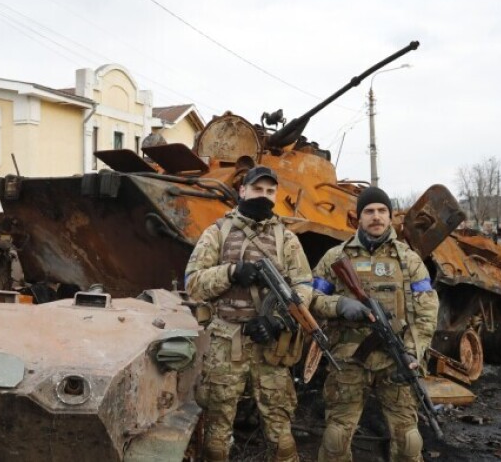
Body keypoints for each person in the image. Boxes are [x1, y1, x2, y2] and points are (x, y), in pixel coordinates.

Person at [185, 165, 313, 462]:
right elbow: (192, 284)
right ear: (242, 191)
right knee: (216, 435)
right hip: (226, 343)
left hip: (271, 346)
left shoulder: (287, 239)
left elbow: (304, 287)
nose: (264, 196)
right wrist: (231, 273)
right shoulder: (218, 232)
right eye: (258, 189)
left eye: (270, 191)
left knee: (281, 435)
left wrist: (277, 320)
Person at [309, 187, 440, 462]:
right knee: (336, 438)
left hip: (396, 361)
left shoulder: (409, 260)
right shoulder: (335, 257)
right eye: (369, 211)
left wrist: (413, 353)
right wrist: (339, 305)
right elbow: (310, 299)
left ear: (391, 217)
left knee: (408, 441)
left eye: (382, 211)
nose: (376, 217)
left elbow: (426, 311)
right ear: (359, 217)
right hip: (347, 361)